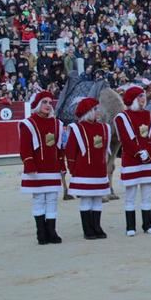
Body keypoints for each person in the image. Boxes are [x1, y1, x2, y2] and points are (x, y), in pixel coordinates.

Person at [114, 85, 151, 237]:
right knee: (130, 195)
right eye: (140, 96)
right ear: (133, 99)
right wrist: (138, 152)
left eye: (143, 96)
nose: (143, 99)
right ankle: (130, 226)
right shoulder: (122, 117)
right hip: (132, 161)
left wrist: (148, 151)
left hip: (149, 160)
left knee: (147, 194)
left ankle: (148, 224)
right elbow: (126, 139)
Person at [19, 91, 65, 245]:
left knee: (52, 199)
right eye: (44, 102)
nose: (48, 105)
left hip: (52, 168)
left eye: (49, 102)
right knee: (39, 199)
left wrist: (61, 164)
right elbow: (25, 147)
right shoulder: (28, 123)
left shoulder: (57, 123)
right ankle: (41, 231)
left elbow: (59, 148)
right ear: (38, 104)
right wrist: (29, 163)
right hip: (37, 168)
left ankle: (51, 231)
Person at [65, 97, 111, 240]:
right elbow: (70, 151)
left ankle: (97, 226)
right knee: (86, 200)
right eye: (95, 109)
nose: (98, 112)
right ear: (88, 111)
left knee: (97, 199)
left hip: (99, 170)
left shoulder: (104, 127)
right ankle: (87, 229)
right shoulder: (77, 129)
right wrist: (73, 170)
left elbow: (106, 151)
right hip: (83, 171)